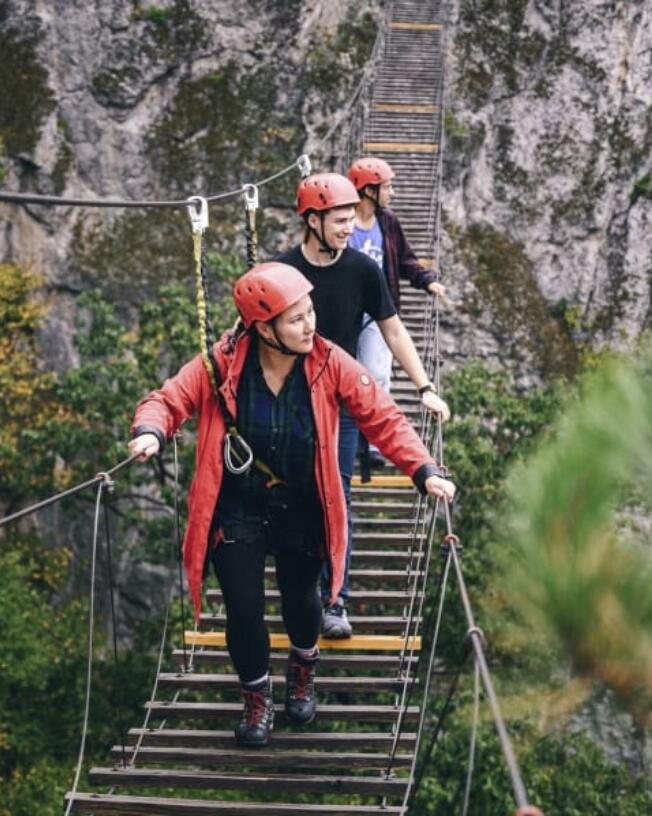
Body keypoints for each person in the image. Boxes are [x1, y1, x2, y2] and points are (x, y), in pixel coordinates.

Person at [128, 262, 455, 747]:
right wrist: (151, 431)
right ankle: (256, 699)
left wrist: (423, 469)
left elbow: (382, 417)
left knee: (303, 601)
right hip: (237, 506)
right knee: (242, 609)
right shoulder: (221, 364)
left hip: (303, 502)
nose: (310, 325)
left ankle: (303, 665)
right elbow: (169, 398)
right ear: (264, 328)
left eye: (310, 312)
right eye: (296, 318)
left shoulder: (329, 361)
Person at [274, 173, 450, 639]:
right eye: (340, 220)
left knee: (338, 495)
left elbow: (393, 330)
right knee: (289, 498)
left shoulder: (363, 271)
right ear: (313, 221)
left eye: (353, 219)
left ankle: (335, 601)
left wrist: (424, 386)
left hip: (344, 402)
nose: (349, 228)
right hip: (289, 403)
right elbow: (248, 333)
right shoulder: (282, 273)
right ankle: (298, 590)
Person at [346, 157, 448, 401]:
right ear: (370, 190)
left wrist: (426, 280)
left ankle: (373, 439)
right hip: (345, 311)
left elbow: (404, 259)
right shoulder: (342, 223)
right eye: (387, 186)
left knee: (378, 377)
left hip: (378, 311)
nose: (393, 192)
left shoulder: (387, 222)